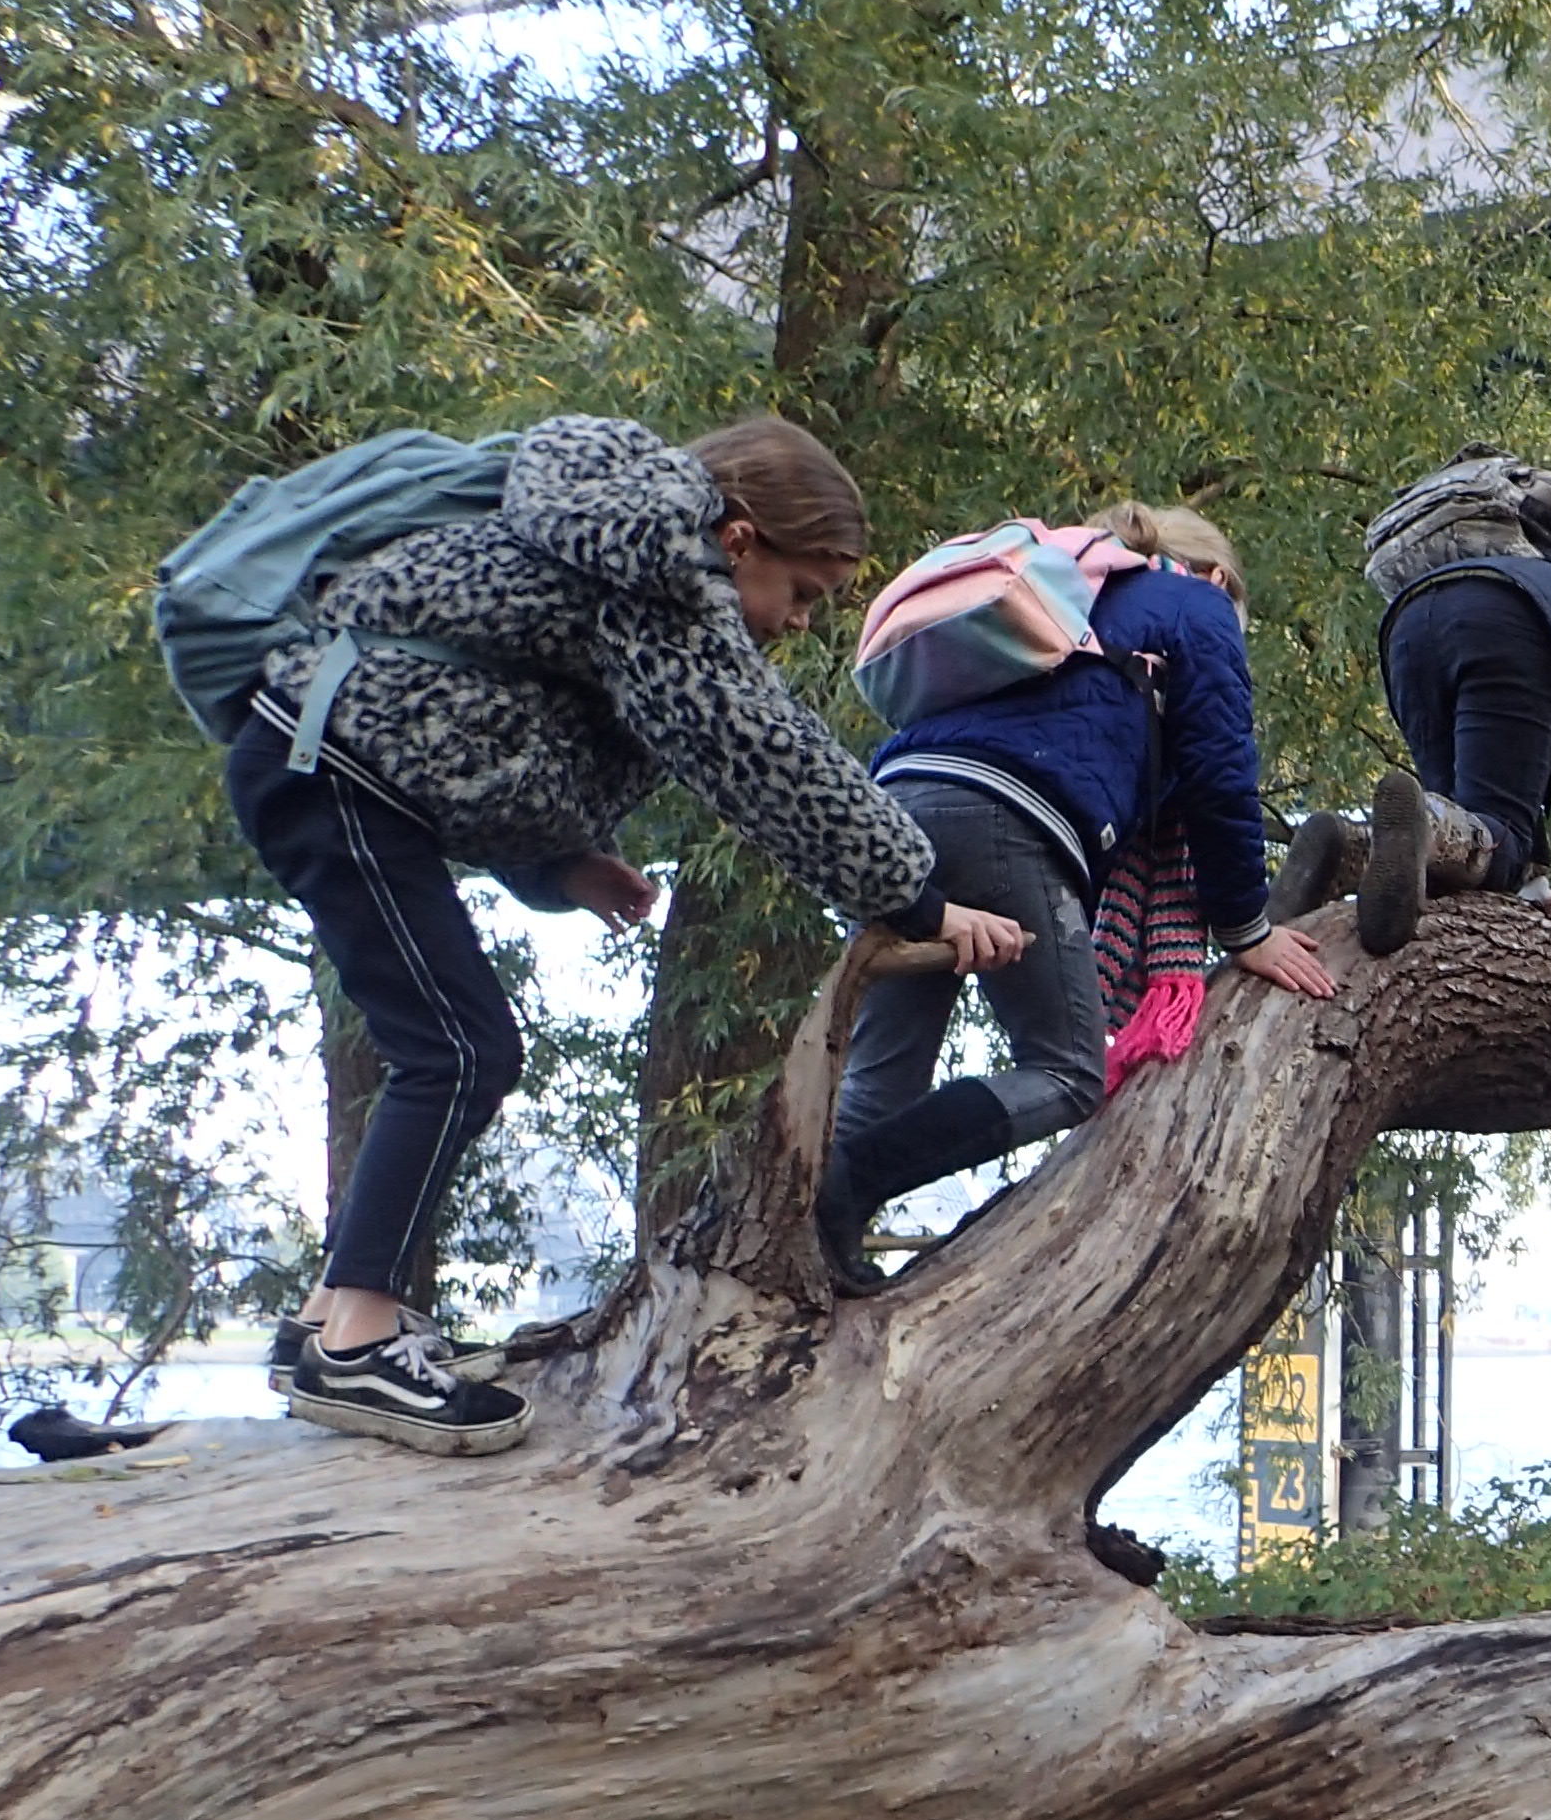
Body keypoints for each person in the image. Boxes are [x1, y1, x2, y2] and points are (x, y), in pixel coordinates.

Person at [228, 412, 1028, 1454]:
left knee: (454, 1046)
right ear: (739, 539)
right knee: (461, 1051)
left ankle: (328, 1321)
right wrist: (917, 899)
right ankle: (356, 1347)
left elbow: (472, 718)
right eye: (801, 593)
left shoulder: (611, 547)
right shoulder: (665, 574)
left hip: (321, 760)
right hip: (329, 775)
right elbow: (767, 759)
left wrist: (559, 865)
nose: (798, 624)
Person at [818, 503, 1338, 1291]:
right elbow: (1221, 775)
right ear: (1220, 579)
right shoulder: (1195, 605)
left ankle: (804, 1237)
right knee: (1067, 1072)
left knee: (884, 1074)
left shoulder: (1059, 590)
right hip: (1007, 819)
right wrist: (1246, 927)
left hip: (897, 804)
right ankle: (849, 1181)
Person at [1277, 463, 1551, 965]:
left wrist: (1536, 886)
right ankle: (1424, 824)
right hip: (1516, 627)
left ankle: (1347, 849)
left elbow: (1526, 760)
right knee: (1499, 845)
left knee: (1462, 840)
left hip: (1410, 622)